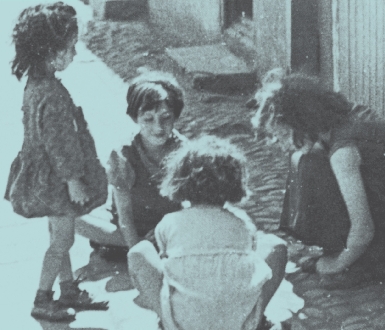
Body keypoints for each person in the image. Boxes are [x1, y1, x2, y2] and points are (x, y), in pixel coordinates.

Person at [4, 2, 109, 322]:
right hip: (58, 181)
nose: (75, 53)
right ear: (50, 52)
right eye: (70, 46)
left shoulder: (36, 84)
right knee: (61, 240)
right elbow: (58, 144)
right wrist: (74, 180)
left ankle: (68, 289)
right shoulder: (51, 94)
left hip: (43, 178)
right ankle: (42, 298)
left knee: (59, 237)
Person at [127, 135, 288, 330]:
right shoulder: (242, 222)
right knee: (275, 245)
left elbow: (165, 266)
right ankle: (256, 317)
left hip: (184, 322)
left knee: (139, 251)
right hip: (236, 321)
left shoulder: (169, 222)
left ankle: (165, 320)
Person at [251, 68, 385, 289]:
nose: (281, 143)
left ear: (301, 123)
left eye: (283, 134)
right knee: (305, 159)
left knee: (307, 163)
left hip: (374, 228)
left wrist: (334, 265)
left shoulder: (343, 151)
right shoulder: (346, 118)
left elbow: (364, 229)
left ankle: (363, 262)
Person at [74, 71, 185, 278]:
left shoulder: (184, 151)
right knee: (75, 220)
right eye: (148, 119)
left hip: (168, 227)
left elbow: (192, 203)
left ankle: (155, 243)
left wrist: (167, 228)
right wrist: (139, 253)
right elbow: (124, 215)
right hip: (130, 227)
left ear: (175, 115)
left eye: (166, 118)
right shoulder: (124, 156)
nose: (158, 127)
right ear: (135, 118)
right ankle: (145, 245)